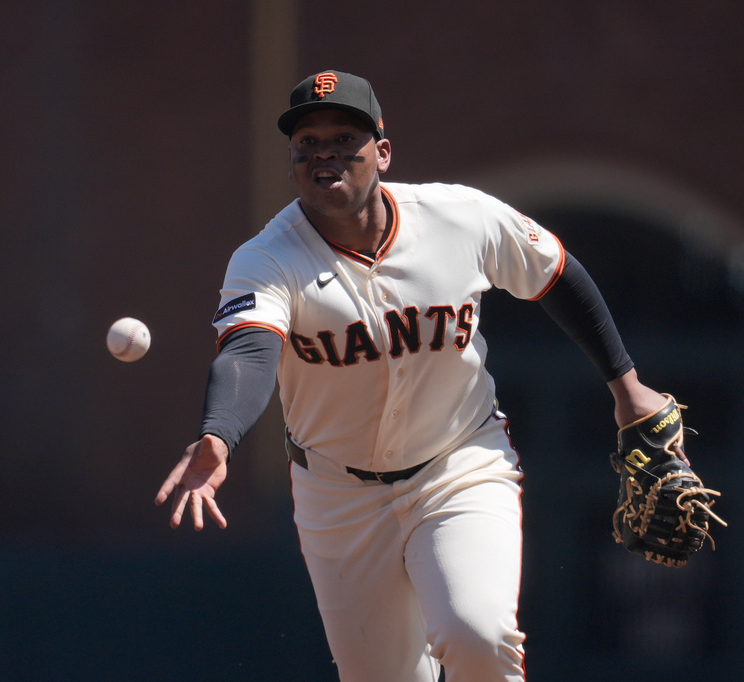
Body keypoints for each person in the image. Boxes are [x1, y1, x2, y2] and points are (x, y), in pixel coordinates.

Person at [156, 70, 686, 682]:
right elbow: (249, 353)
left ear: (382, 151)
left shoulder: (458, 217)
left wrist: (628, 388)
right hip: (339, 493)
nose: (323, 152)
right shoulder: (268, 257)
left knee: (478, 638)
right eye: (307, 142)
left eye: (344, 137)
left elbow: (556, 274)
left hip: (458, 464)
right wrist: (219, 433)